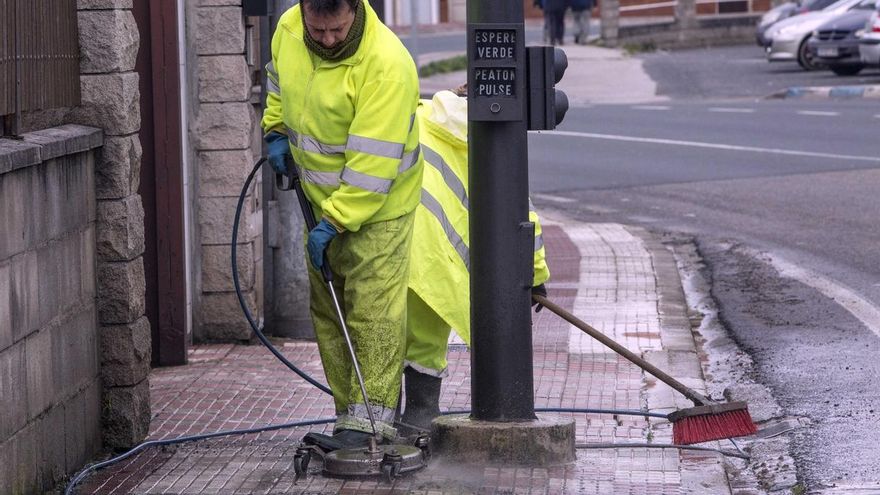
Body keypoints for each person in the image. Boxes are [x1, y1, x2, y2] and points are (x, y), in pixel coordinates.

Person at [261, 0, 424, 447]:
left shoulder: (386, 64)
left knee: (373, 315)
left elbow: (372, 168)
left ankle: (371, 423)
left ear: (356, 9)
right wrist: (275, 130)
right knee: (330, 314)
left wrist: (334, 222)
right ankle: (346, 415)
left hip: (379, 210)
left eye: (336, 30)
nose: (327, 40)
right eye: (319, 30)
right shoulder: (289, 28)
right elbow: (277, 81)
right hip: (318, 204)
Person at [399, 88, 551, 434]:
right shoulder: (493, 140)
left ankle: (380, 422)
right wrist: (535, 275)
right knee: (424, 342)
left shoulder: (418, 114)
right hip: (437, 263)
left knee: (384, 333)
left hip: (391, 243)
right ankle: (419, 419)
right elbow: (521, 218)